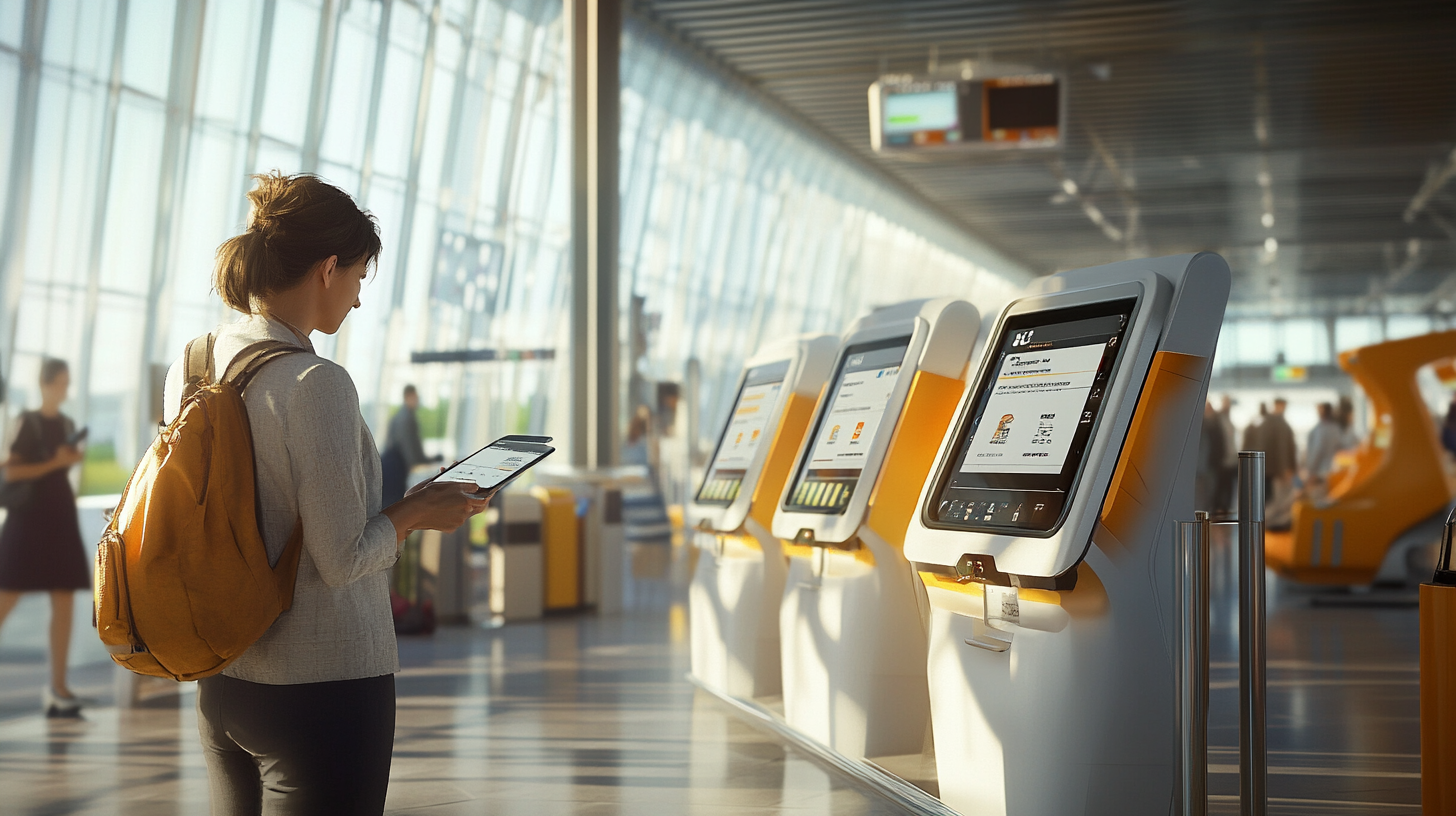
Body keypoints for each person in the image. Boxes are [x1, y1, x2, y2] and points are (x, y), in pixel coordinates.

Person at [165, 172, 489, 816]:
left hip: (222, 676)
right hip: (322, 686)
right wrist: (417, 511)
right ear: (328, 267)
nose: (358, 300)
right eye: (360, 279)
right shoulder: (317, 383)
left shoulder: (197, 362)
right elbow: (341, 558)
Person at [0, 358, 89, 717]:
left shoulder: (67, 423)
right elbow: (12, 470)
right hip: (28, 521)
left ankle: (58, 686)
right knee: (6, 598)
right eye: (61, 384)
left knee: (64, 600)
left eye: (68, 384)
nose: (65, 390)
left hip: (59, 518)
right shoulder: (28, 421)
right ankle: (57, 686)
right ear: (45, 384)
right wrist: (55, 463)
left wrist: (69, 459)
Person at [380, 384, 440, 506]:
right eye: (415, 397)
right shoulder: (406, 418)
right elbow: (409, 450)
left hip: (391, 465)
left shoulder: (400, 416)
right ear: (408, 396)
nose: (417, 400)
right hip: (395, 467)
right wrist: (426, 461)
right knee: (395, 506)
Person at [1196, 400, 1227, 514]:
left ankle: (1206, 512)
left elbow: (1219, 444)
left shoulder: (1213, 424)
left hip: (1211, 465)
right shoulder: (1202, 424)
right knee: (1202, 493)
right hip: (1202, 467)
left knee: (1209, 491)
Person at [1305, 402, 1344, 482]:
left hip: (1320, 471)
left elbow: (1317, 450)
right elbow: (1340, 447)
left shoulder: (1321, 429)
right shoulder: (1336, 428)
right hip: (1333, 470)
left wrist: (1311, 470)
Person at [1214, 395, 1240, 514]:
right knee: (1220, 485)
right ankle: (1218, 507)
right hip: (1221, 460)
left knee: (1229, 486)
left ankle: (1226, 508)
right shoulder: (1217, 419)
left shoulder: (1229, 419)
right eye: (1226, 402)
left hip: (1231, 460)